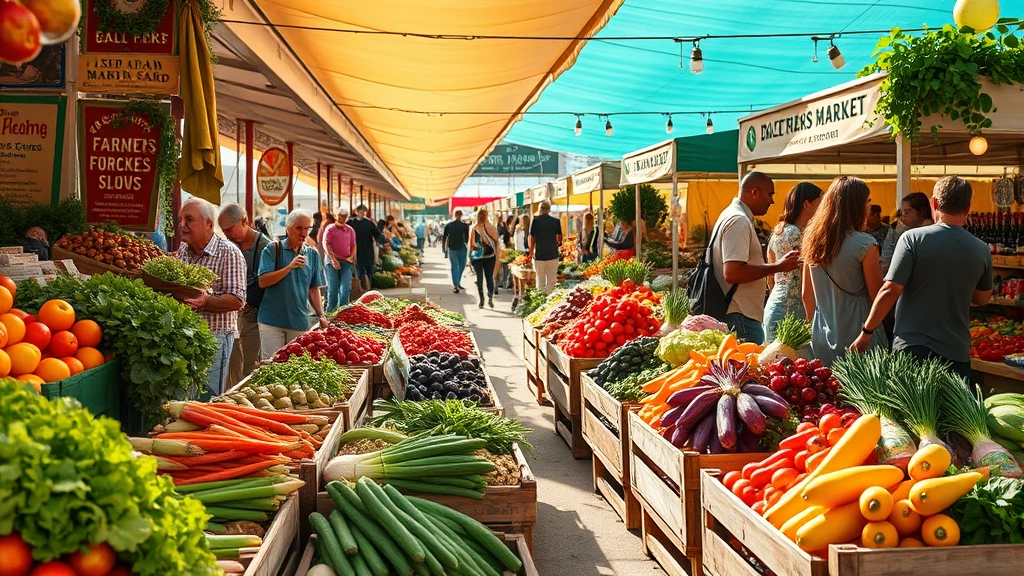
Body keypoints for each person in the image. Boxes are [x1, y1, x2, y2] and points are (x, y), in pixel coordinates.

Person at [851, 176, 992, 380]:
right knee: (949, 412)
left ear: (934, 203)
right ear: (968, 207)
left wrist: (867, 331)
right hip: (956, 351)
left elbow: (891, 290)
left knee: (909, 412)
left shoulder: (912, 239)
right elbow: (982, 298)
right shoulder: (981, 248)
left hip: (912, 349)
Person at [801, 177, 887, 366]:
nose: (869, 206)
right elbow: (877, 295)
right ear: (857, 206)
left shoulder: (813, 241)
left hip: (822, 335)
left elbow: (807, 296)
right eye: (868, 200)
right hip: (861, 336)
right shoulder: (865, 244)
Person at [710, 172, 800, 343]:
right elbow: (733, 273)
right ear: (754, 192)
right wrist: (778, 266)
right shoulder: (738, 220)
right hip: (740, 315)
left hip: (738, 313)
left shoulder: (732, 215)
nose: (772, 201)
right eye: (770, 194)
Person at [176, 198, 246, 399]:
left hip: (215, 338)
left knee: (208, 397)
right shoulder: (183, 251)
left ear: (208, 224)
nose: (182, 225)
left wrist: (206, 301)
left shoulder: (229, 253)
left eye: (189, 219)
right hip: (185, 336)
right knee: (186, 396)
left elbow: (237, 299)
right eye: (181, 220)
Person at [257, 209, 328, 360]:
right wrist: (289, 267)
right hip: (271, 322)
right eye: (299, 228)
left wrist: (321, 315)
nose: (303, 233)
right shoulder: (272, 249)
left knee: (295, 367)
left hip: (299, 322)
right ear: (288, 229)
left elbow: (314, 289)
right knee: (271, 366)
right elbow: (263, 281)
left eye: (307, 229)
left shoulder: (312, 254)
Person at [219, 203, 272, 388]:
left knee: (249, 365)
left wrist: (254, 303)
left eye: (229, 230)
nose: (227, 235)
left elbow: (268, 284)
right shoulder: (228, 247)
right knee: (230, 364)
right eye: (224, 231)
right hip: (232, 316)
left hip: (254, 316)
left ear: (244, 221)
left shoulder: (266, 247)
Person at [763, 183, 822, 342]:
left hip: (778, 306)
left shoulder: (780, 230)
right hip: (790, 311)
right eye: (820, 202)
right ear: (807, 203)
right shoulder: (795, 233)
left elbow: (771, 278)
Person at [880, 192, 934, 275]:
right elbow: (886, 256)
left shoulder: (932, 230)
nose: (903, 216)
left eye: (907, 212)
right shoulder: (896, 229)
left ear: (922, 211)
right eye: (902, 212)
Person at [323, 208, 357, 311]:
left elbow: (354, 245)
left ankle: (343, 313)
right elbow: (325, 243)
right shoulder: (330, 228)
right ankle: (330, 314)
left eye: (344, 216)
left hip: (346, 262)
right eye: (340, 215)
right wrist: (333, 259)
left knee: (345, 289)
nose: (341, 218)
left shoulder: (350, 230)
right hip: (332, 261)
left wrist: (352, 257)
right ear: (336, 216)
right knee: (333, 289)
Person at [469, 209, 500, 309]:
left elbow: (471, 245)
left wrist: (469, 258)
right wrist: (497, 257)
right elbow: (496, 244)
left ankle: (481, 299)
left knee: (479, 278)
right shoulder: (492, 228)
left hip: (477, 256)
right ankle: (490, 297)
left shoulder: (473, 228)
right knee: (489, 277)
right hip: (490, 256)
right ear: (487, 216)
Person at [529, 201, 562, 294]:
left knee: (540, 281)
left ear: (540, 209)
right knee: (552, 281)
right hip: (552, 254)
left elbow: (531, 238)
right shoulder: (556, 221)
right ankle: (549, 302)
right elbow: (559, 239)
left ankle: (540, 301)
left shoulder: (535, 220)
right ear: (549, 210)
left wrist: (531, 251)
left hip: (539, 254)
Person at [348, 204, 381, 291]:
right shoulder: (351, 223)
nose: (363, 214)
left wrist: (378, 241)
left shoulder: (369, 223)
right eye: (361, 212)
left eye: (364, 212)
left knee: (369, 268)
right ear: (356, 212)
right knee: (360, 269)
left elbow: (377, 234)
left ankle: (369, 286)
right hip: (357, 250)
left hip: (368, 249)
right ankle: (362, 287)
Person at [443, 210, 470, 293]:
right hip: (462, 248)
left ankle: (456, 284)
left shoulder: (449, 225)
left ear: (455, 215)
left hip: (452, 248)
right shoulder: (465, 226)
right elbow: (468, 238)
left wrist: (444, 250)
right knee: (461, 266)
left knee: (454, 267)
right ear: (461, 215)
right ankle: (457, 283)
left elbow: (444, 237)